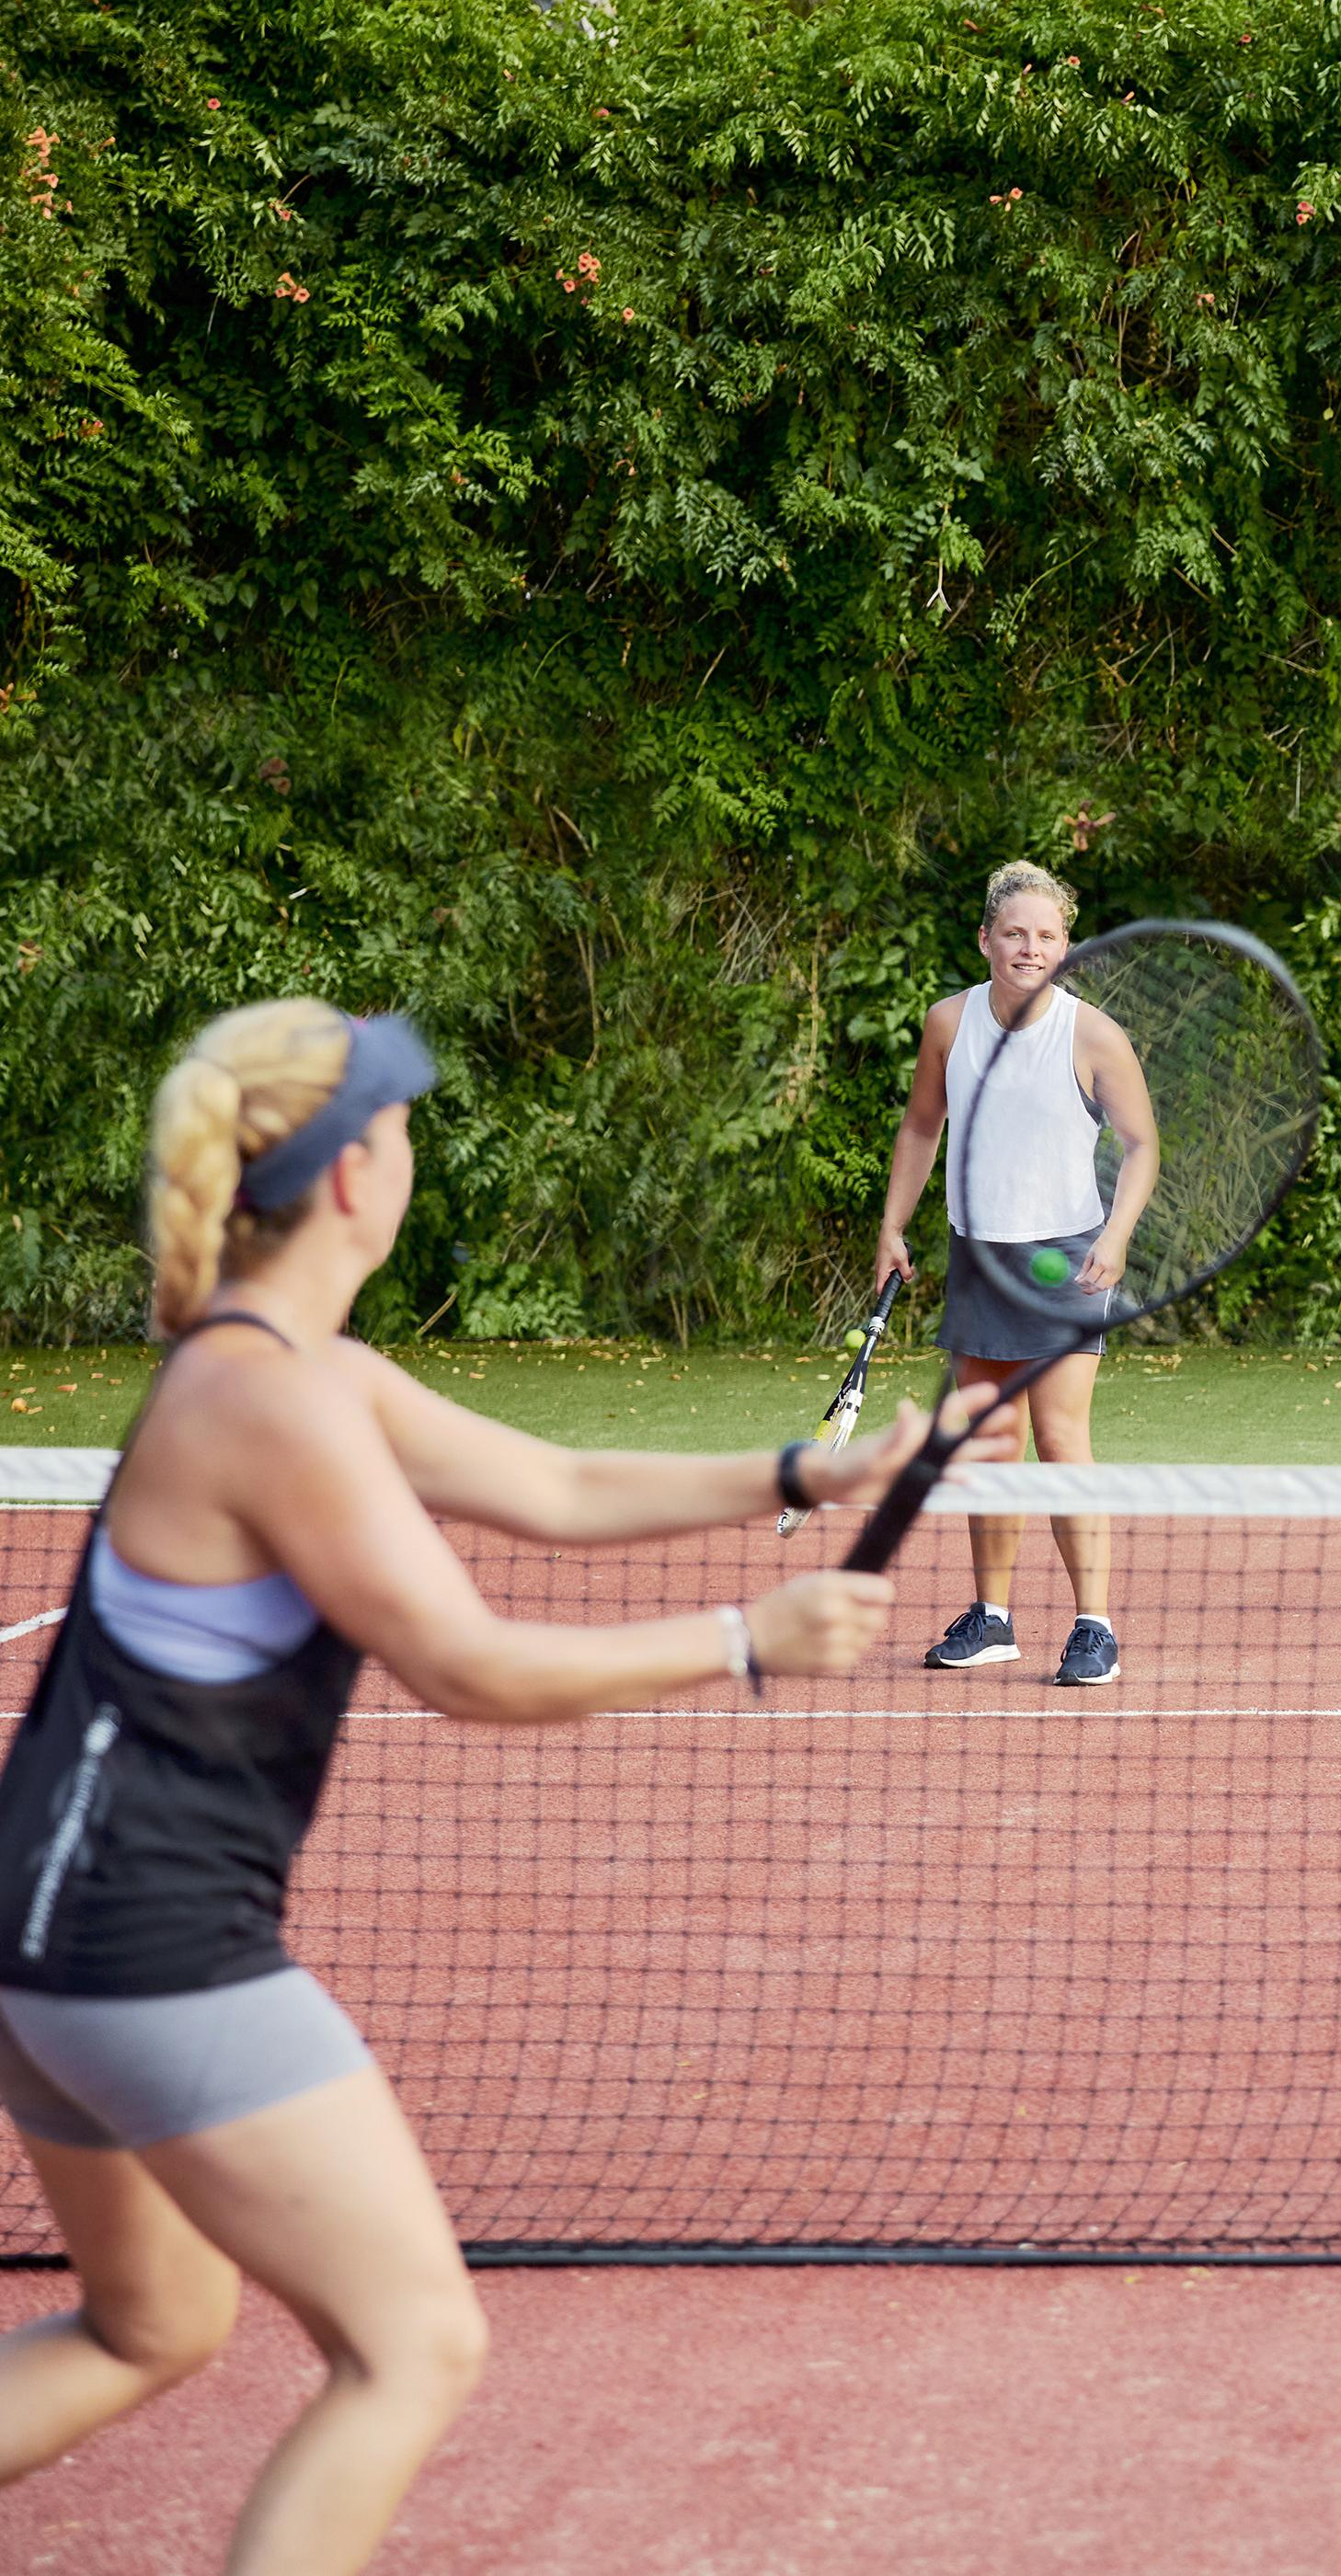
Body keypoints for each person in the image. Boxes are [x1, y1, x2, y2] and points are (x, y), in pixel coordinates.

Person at [0, 1000, 1005, 2576]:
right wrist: (745, 1642)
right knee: (415, 2343)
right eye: (399, 1126)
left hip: (47, 1946)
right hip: (148, 1948)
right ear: (350, 1179)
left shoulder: (291, 1365)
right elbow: (467, 1666)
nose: (411, 1151)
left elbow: (551, 1485)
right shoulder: (274, 1400)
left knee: (152, 2322)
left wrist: (809, 1475)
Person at [871, 862, 1154, 1689]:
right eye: (1015, 933)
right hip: (977, 1253)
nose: (1030, 948)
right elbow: (923, 1125)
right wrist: (893, 1225)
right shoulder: (948, 1023)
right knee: (992, 1444)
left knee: (1063, 1441)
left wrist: (1119, 1235)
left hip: (1066, 1259)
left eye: (1047, 936)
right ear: (986, 939)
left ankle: (1093, 1626)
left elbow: (1141, 1146)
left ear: (1065, 947)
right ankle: (992, 1617)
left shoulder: (1091, 1033)